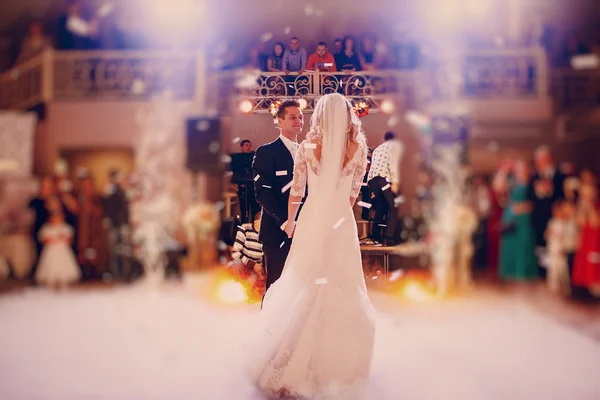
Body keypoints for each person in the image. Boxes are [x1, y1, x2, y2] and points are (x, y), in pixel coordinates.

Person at [247, 93, 376, 399]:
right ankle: (337, 362)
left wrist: (292, 220)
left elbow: (296, 191)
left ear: (319, 115)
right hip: (341, 222)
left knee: (303, 280)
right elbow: (352, 195)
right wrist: (337, 212)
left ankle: (294, 353)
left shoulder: (306, 147)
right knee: (340, 282)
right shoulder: (359, 149)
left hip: (312, 217)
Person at [253, 100, 304, 297]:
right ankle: (270, 327)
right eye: (292, 117)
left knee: (301, 287)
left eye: (300, 117)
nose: (298, 121)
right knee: (276, 286)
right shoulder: (266, 152)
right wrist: (286, 222)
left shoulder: (307, 151)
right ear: (279, 121)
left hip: (304, 230)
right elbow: (262, 193)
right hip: (276, 231)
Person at [367, 131, 404, 246]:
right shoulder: (394, 146)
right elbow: (393, 164)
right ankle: (388, 237)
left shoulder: (378, 148)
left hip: (372, 180)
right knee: (394, 206)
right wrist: (395, 182)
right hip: (383, 178)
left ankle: (376, 236)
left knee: (382, 206)